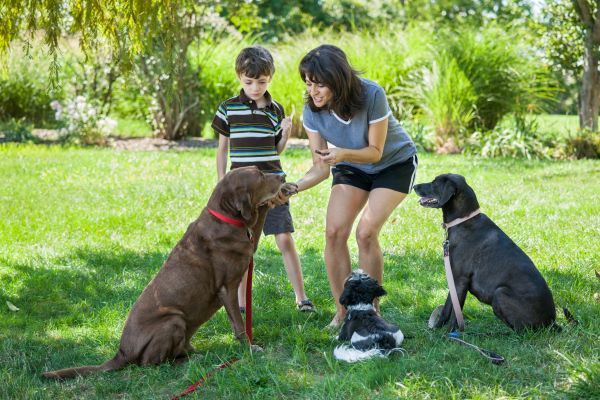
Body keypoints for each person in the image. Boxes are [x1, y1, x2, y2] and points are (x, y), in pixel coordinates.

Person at [282, 44, 417, 328]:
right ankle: (343, 312)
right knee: (334, 232)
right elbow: (320, 167)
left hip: (394, 164)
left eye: (319, 84)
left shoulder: (372, 94)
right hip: (352, 165)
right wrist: (293, 187)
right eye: (308, 84)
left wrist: (341, 154)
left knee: (366, 232)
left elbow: (375, 152)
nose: (313, 91)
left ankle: (371, 312)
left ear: (337, 79)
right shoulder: (313, 112)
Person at [211, 45, 315, 313]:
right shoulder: (228, 109)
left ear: (270, 79)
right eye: (249, 82)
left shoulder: (275, 109)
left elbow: (275, 150)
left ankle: (301, 298)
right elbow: (223, 149)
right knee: (246, 247)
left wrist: (285, 134)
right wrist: (222, 181)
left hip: (272, 186)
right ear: (239, 78)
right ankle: (243, 303)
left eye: (261, 82)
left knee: (284, 239)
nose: (255, 88)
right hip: (242, 192)